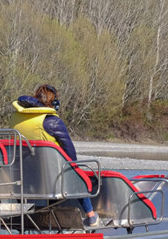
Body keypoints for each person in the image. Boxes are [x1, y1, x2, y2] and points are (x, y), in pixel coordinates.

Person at [10, 84, 100, 228]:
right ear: (54, 103)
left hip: (23, 177)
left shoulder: (16, 118)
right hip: (51, 179)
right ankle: (91, 216)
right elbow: (71, 156)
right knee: (77, 175)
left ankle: (41, 216)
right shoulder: (52, 121)